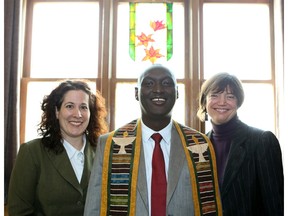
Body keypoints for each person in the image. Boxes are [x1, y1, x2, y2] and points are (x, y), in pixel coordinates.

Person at [84, 65, 222, 216]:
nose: (158, 89)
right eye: (149, 83)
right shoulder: (110, 144)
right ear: (137, 93)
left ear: (176, 93)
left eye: (166, 83)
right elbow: (94, 208)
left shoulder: (199, 145)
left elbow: (209, 208)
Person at [7, 80, 108, 216]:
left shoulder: (105, 152)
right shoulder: (32, 152)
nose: (77, 114)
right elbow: (19, 211)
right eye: (69, 106)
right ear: (56, 111)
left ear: (91, 113)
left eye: (84, 107)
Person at [197, 72, 284, 216]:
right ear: (205, 102)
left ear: (238, 102)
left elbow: (274, 205)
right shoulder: (199, 146)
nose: (222, 102)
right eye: (215, 95)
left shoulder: (262, 141)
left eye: (230, 96)